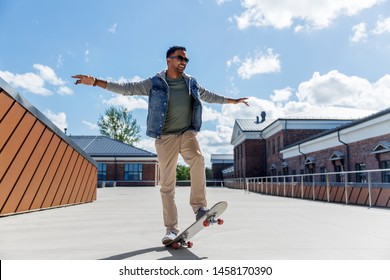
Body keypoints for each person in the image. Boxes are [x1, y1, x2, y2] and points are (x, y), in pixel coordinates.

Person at [72, 46, 249, 245]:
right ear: (168, 60)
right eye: (180, 58)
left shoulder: (191, 82)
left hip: (187, 132)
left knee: (198, 159)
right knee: (167, 184)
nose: (184, 62)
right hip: (165, 138)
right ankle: (171, 229)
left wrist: (232, 101)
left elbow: (209, 96)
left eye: (186, 60)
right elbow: (126, 89)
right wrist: (95, 82)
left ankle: (200, 208)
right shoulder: (154, 82)